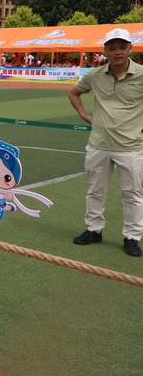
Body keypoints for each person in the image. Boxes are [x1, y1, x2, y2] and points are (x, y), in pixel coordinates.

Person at [68, 28, 143, 257]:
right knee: (95, 190)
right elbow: (74, 93)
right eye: (112, 48)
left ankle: (132, 236)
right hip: (99, 144)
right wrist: (85, 116)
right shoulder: (95, 75)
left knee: (132, 194)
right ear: (105, 51)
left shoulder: (141, 74)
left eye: (122, 47)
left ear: (130, 49)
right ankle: (93, 230)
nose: (117, 52)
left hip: (131, 146)